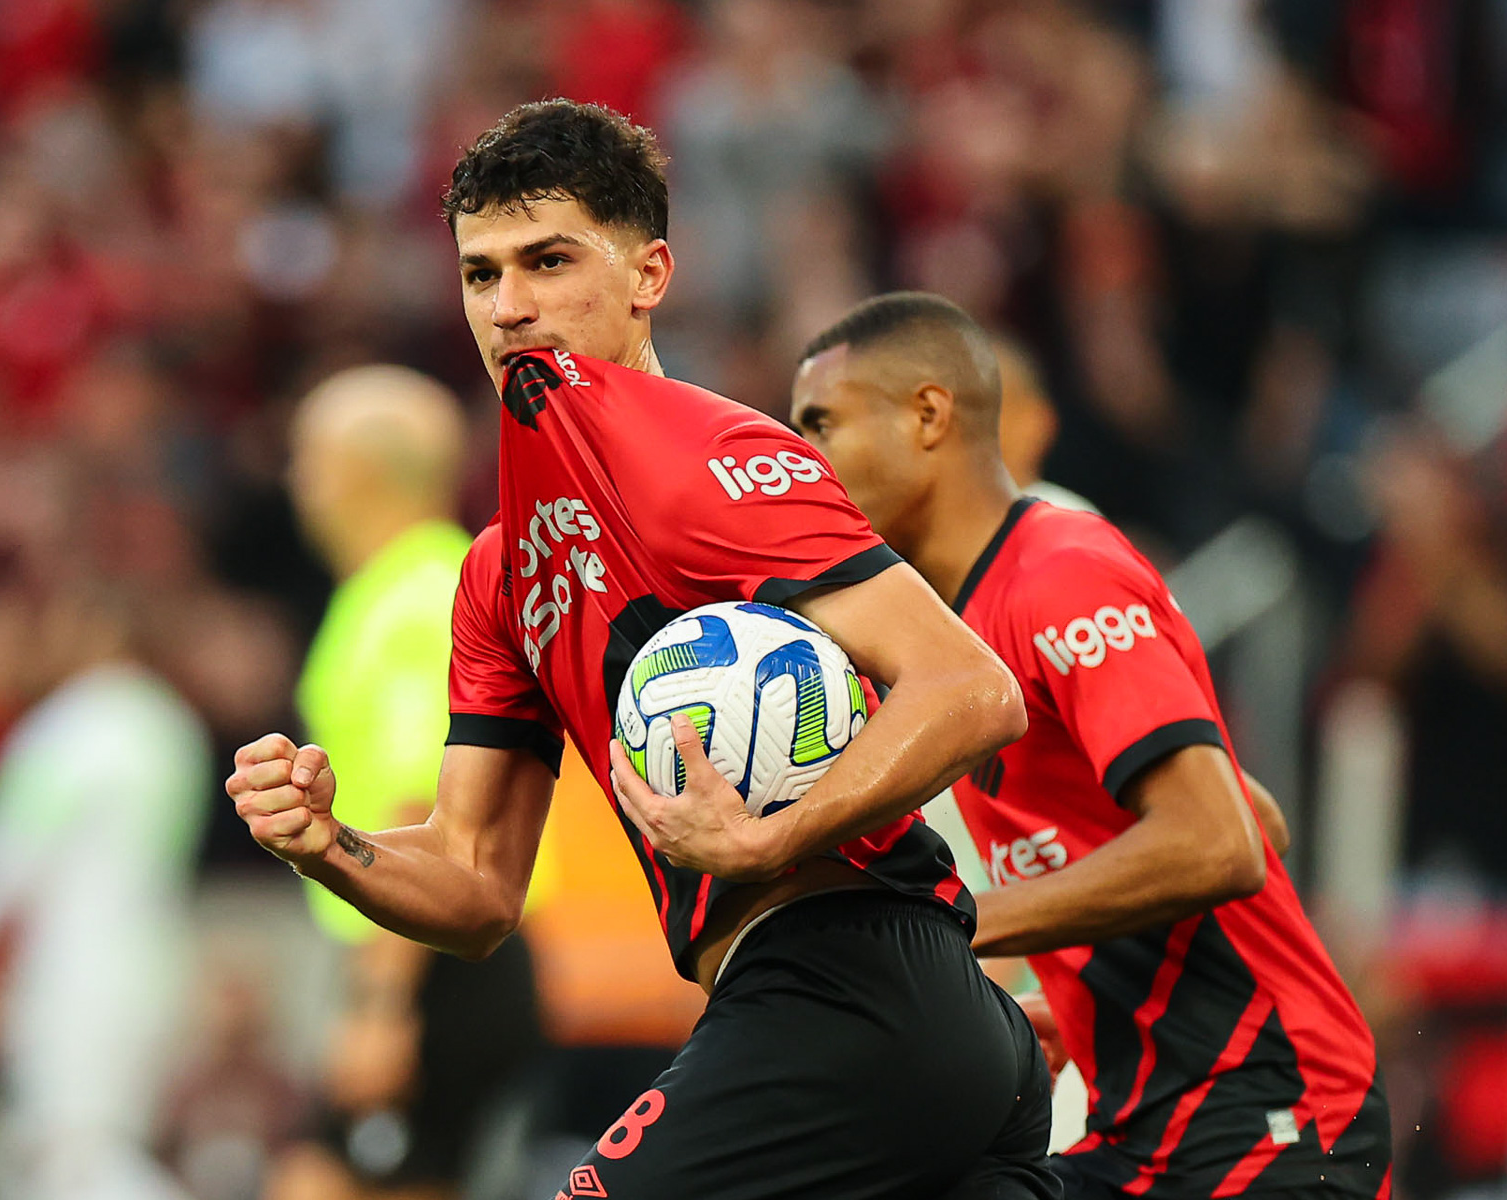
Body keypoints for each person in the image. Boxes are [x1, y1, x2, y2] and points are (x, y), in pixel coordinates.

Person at [225, 100, 1060, 1200]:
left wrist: (771, 837)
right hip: (866, 1020)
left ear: (649, 274)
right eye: (480, 275)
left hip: (852, 989)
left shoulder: (712, 459)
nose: (509, 308)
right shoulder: (501, 572)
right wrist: (331, 845)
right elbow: (477, 889)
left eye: (549, 261)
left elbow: (973, 689)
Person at [788, 292, 1389, 1200]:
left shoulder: (1059, 575)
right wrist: (1080, 997)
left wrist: (951, 924)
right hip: (1148, 1124)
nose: (802, 459)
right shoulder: (964, 625)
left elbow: (1220, 841)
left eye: (821, 423)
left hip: (1271, 1117)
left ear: (928, 415)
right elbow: (1253, 814)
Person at [279, 364, 548, 1198]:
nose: (296, 480)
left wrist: (381, 1007)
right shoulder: (407, 586)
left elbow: (421, 797)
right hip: (419, 942)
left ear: (359, 470)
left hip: (431, 950)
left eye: (308, 457)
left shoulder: (420, 601)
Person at [0, 542, 210, 1200]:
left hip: (77, 976)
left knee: (72, 1162)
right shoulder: (174, 726)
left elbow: (0, 859)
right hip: (157, 967)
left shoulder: (74, 724)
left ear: (95, 629)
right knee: (98, 1150)